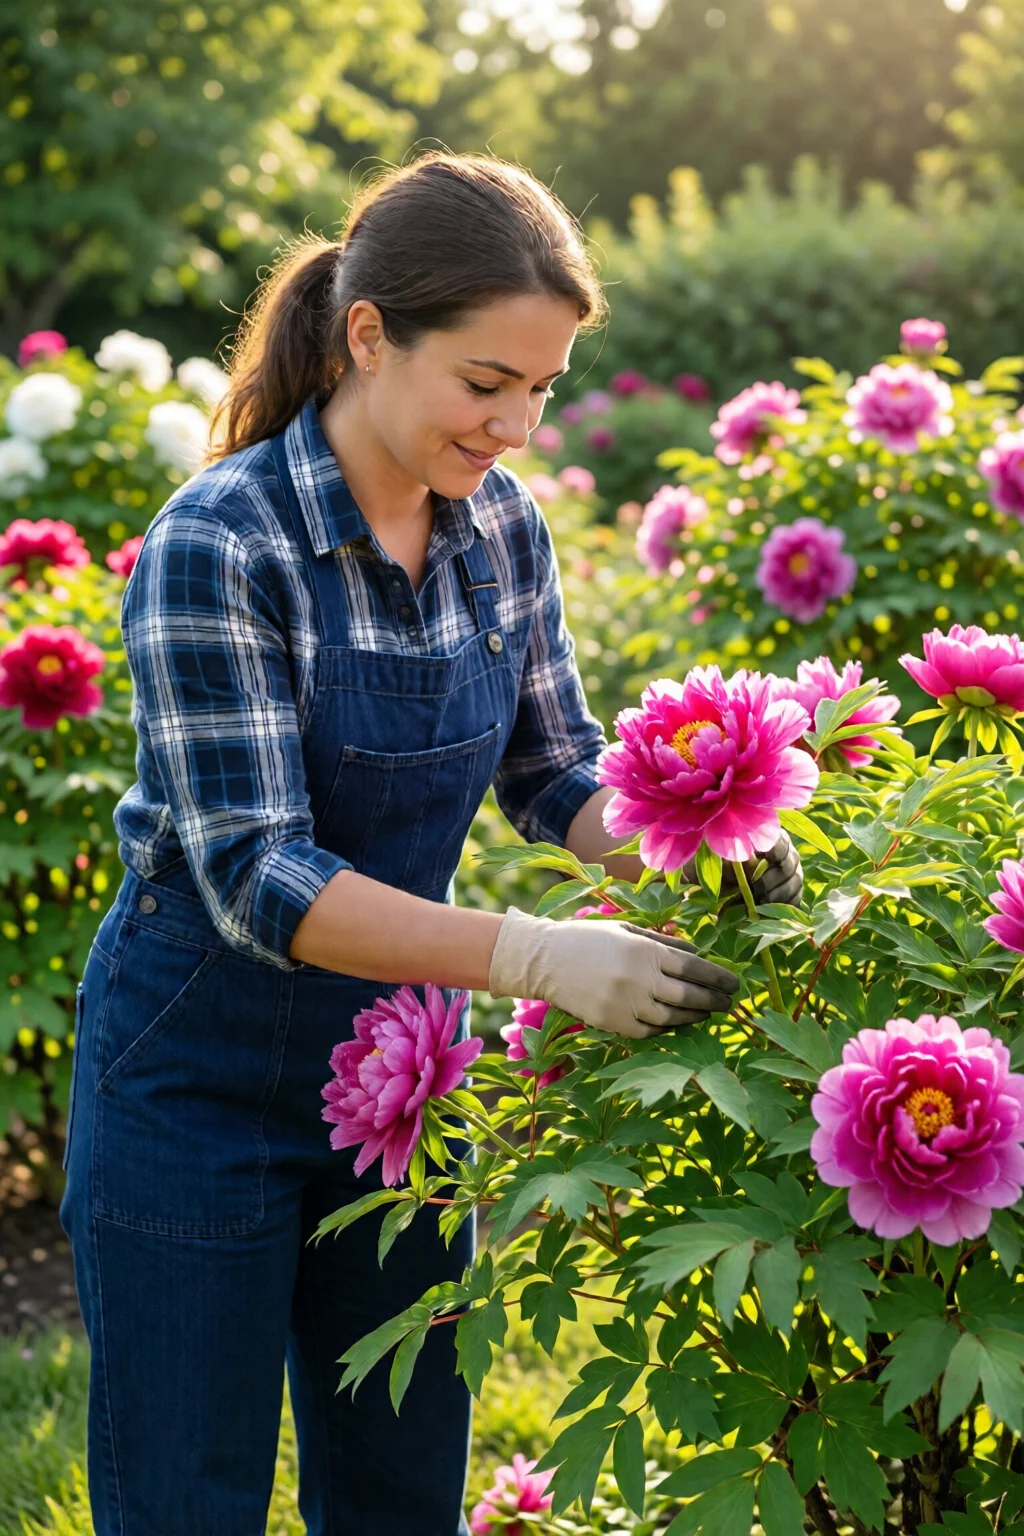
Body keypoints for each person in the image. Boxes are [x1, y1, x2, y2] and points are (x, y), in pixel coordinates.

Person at [59, 150, 801, 1536]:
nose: (516, 427)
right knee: (183, 1496)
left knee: (400, 1490)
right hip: (192, 1075)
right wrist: (540, 958)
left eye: (543, 389)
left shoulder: (502, 529)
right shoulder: (221, 543)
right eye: (485, 383)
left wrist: (693, 834)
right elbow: (260, 877)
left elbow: (554, 769)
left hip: (397, 1082)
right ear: (368, 335)